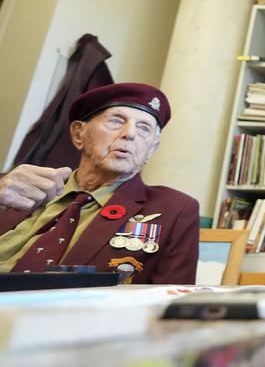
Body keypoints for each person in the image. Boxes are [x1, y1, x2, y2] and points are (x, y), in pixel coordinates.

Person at [0, 83, 199, 283]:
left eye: (144, 128)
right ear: (79, 134)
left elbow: (172, 300)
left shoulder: (174, 210)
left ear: (151, 150)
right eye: (116, 121)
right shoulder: (14, 186)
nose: (130, 133)